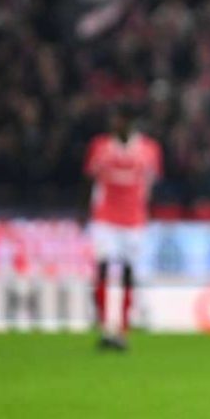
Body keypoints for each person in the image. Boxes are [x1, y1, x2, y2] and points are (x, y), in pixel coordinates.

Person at [82, 106, 162, 350]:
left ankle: (123, 329)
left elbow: (151, 182)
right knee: (103, 267)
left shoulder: (149, 149)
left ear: (130, 123)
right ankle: (106, 325)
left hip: (134, 219)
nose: (115, 124)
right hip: (105, 217)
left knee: (128, 271)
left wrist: (144, 209)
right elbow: (90, 179)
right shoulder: (100, 147)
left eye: (120, 120)